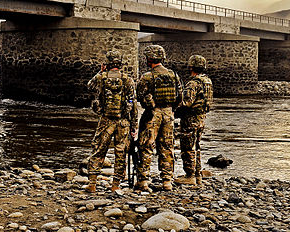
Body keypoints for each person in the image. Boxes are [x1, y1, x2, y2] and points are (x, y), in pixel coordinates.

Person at [85, 50, 137, 193]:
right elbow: (133, 103)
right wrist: (134, 125)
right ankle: (115, 185)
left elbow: (89, 86)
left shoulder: (101, 78)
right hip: (123, 122)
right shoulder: (128, 79)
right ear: (120, 63)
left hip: (106, 120)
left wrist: (99, 71)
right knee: (121, 153)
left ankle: (92, 183)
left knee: (99, 150)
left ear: (107, 63)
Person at [135, 44, 182, 192]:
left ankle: (143, 181)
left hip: (152, 114)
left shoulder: (147, 77)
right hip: (169, 114)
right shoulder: (174, 75)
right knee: (167, 148)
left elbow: (139, 96)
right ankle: (167, 181)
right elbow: (179, 98)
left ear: (149, 59)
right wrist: (171, 110)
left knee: (146, 147)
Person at [175, 55, 213, 186]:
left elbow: (186, 103)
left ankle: (189, 175)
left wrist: (174, 111)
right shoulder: (207, 81)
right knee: (196, 146)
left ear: (191, 66)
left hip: (190, 119)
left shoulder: (193, 83)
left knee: (187, 147)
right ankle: (197, 174)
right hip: (201, 117)